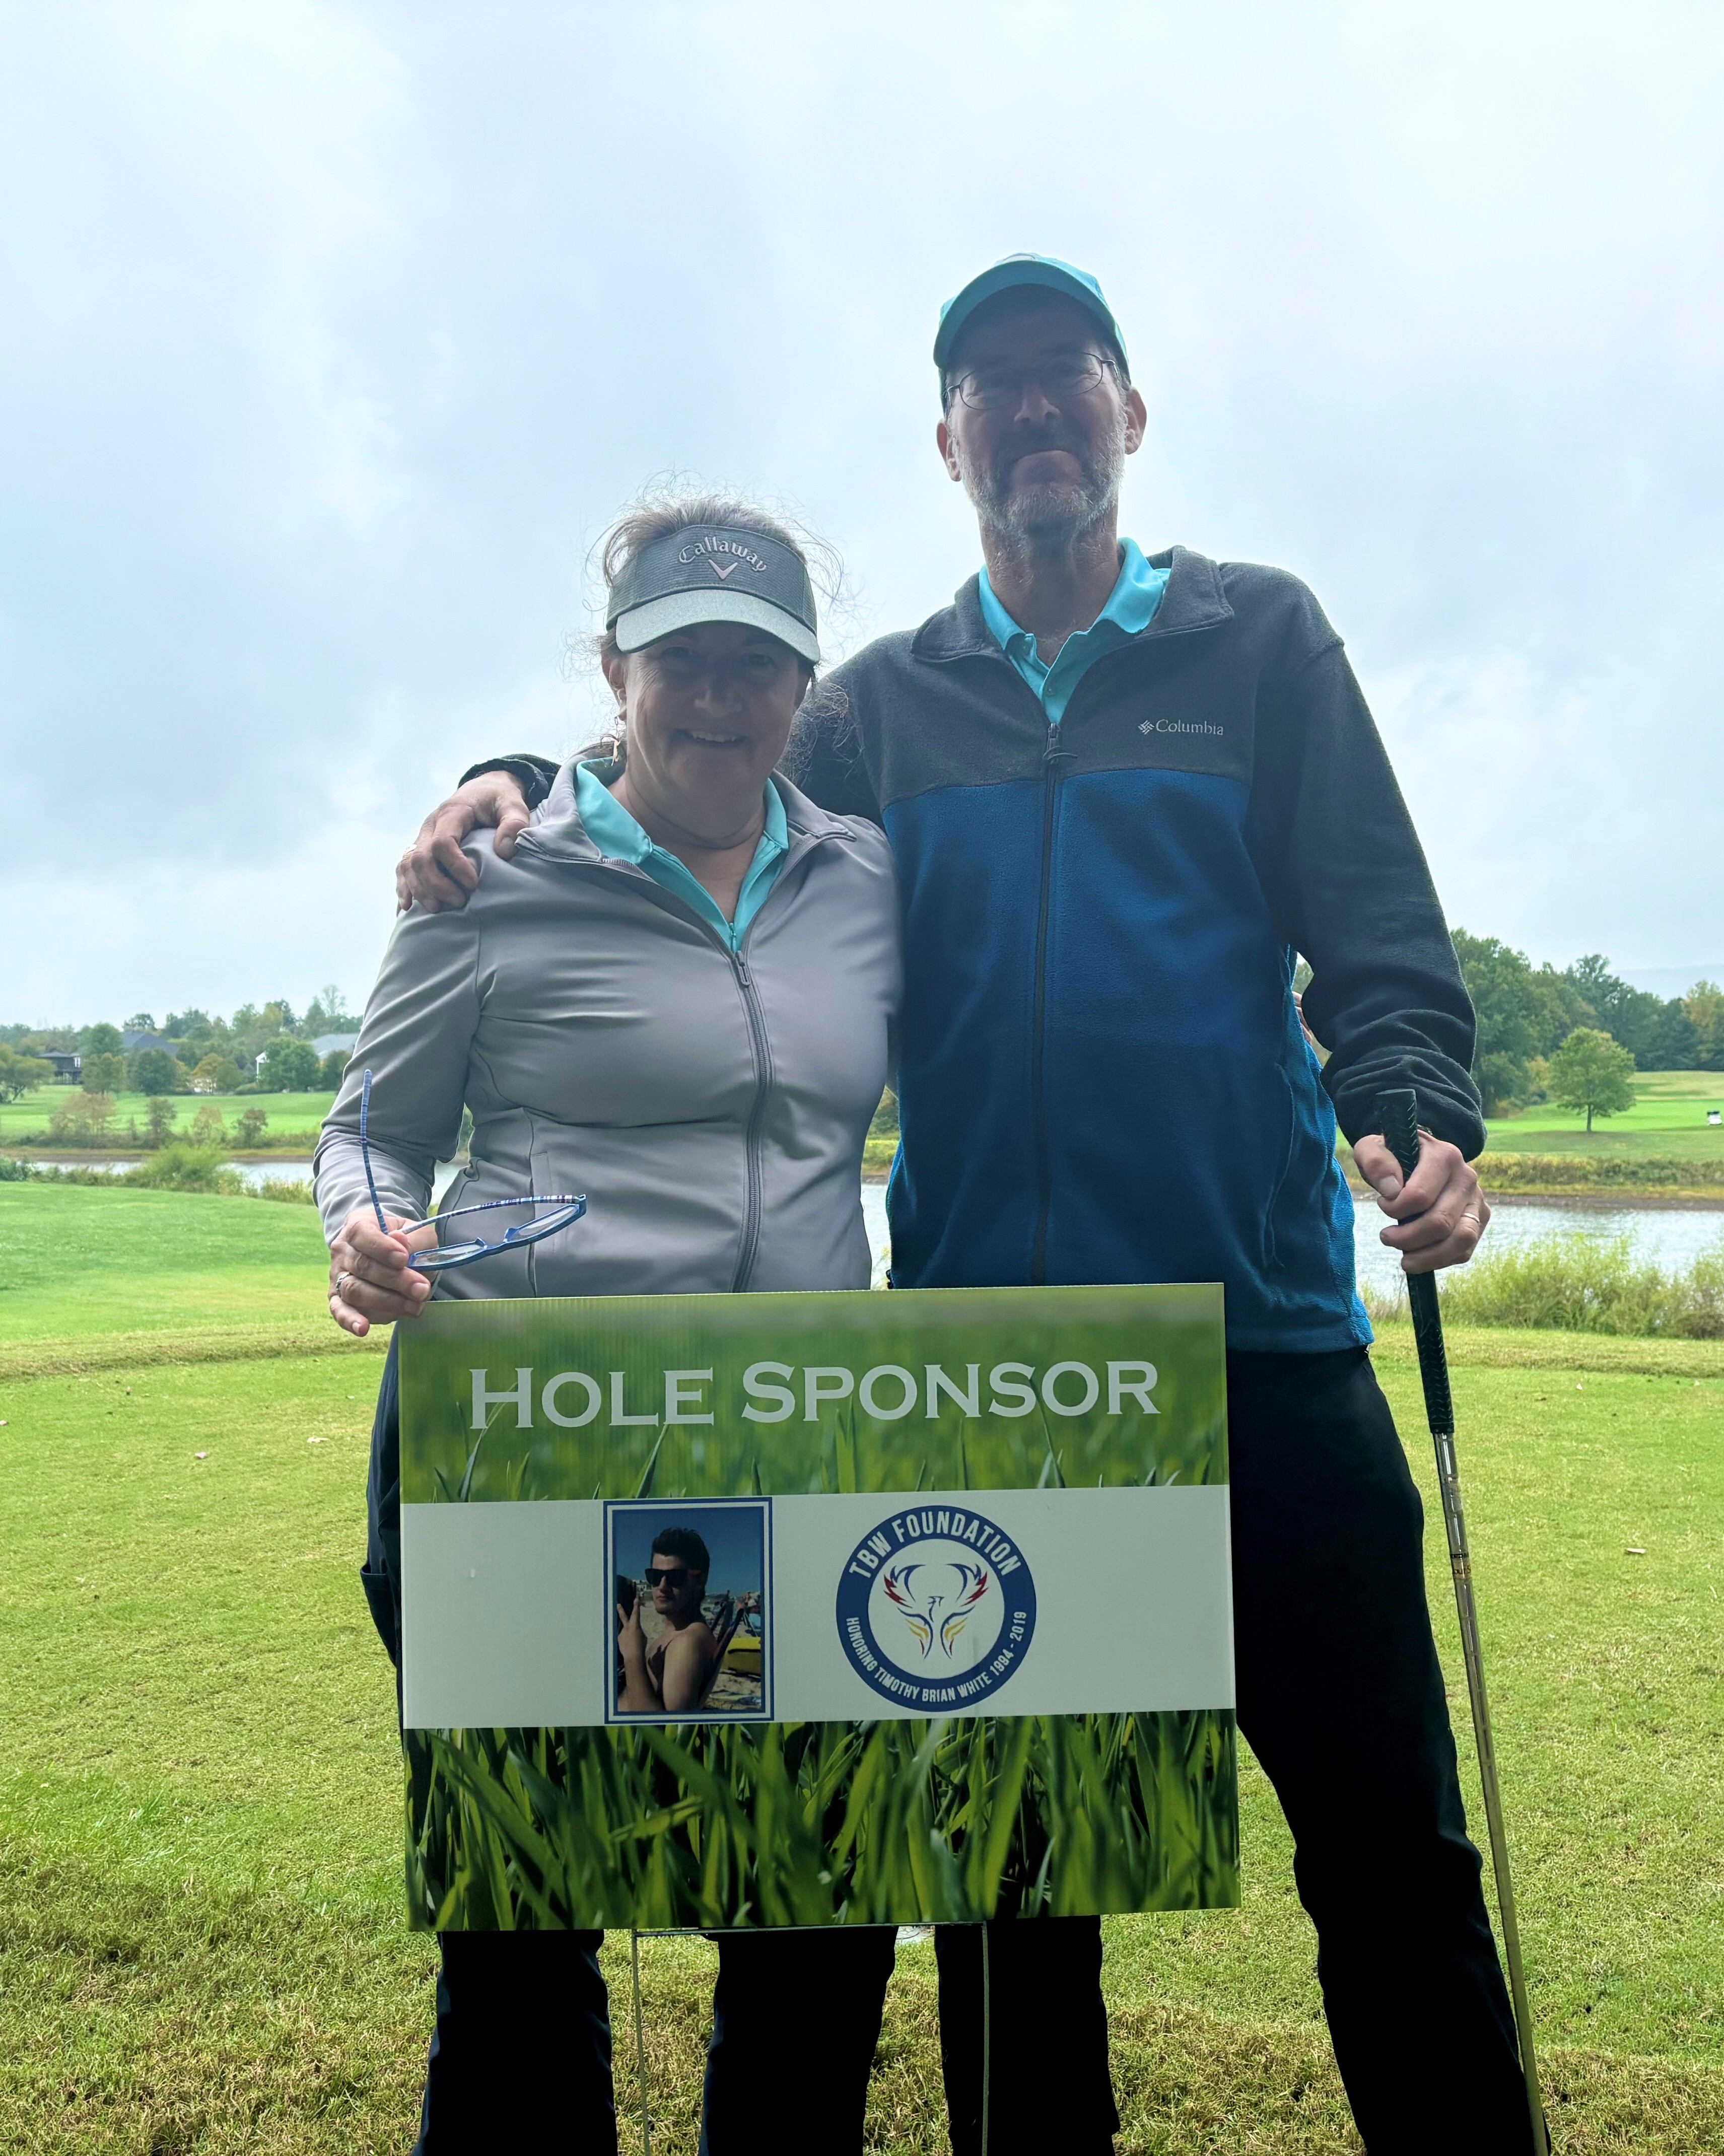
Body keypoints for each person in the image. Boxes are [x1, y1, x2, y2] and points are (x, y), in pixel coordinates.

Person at [398, 256, 1527, 2155]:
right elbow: (690, 765)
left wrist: (1410, 1112)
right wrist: (511, 774)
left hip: (1259, 1345)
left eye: (1061, 373)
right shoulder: (879, 706)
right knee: (1018, 1895)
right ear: (948, 443)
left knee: (1390, 1859)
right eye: (987, 387)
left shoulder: (1257, 639)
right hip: (1002, 1386)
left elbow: (1377, 936)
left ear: (1125, 412)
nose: (1028, 410)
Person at [316, 494, 903, 2153]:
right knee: (528, 1919)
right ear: (614, 670)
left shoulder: (866, 879)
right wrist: (366, 1229)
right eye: (678, 660)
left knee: (812, 1906)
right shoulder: (492, 878)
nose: (716, 696)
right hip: (524, 1462)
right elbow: (371, 1129)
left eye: (754, 664)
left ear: (803, 689)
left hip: (779, 1460)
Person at [618, 1528, 716, 1714]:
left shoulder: (686, 1643)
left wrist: (633, 1655)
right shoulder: (677, 1630)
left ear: (700, 1579)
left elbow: (667, 1727)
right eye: (655, 1576)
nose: (662, 1586)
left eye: (675, 1577)